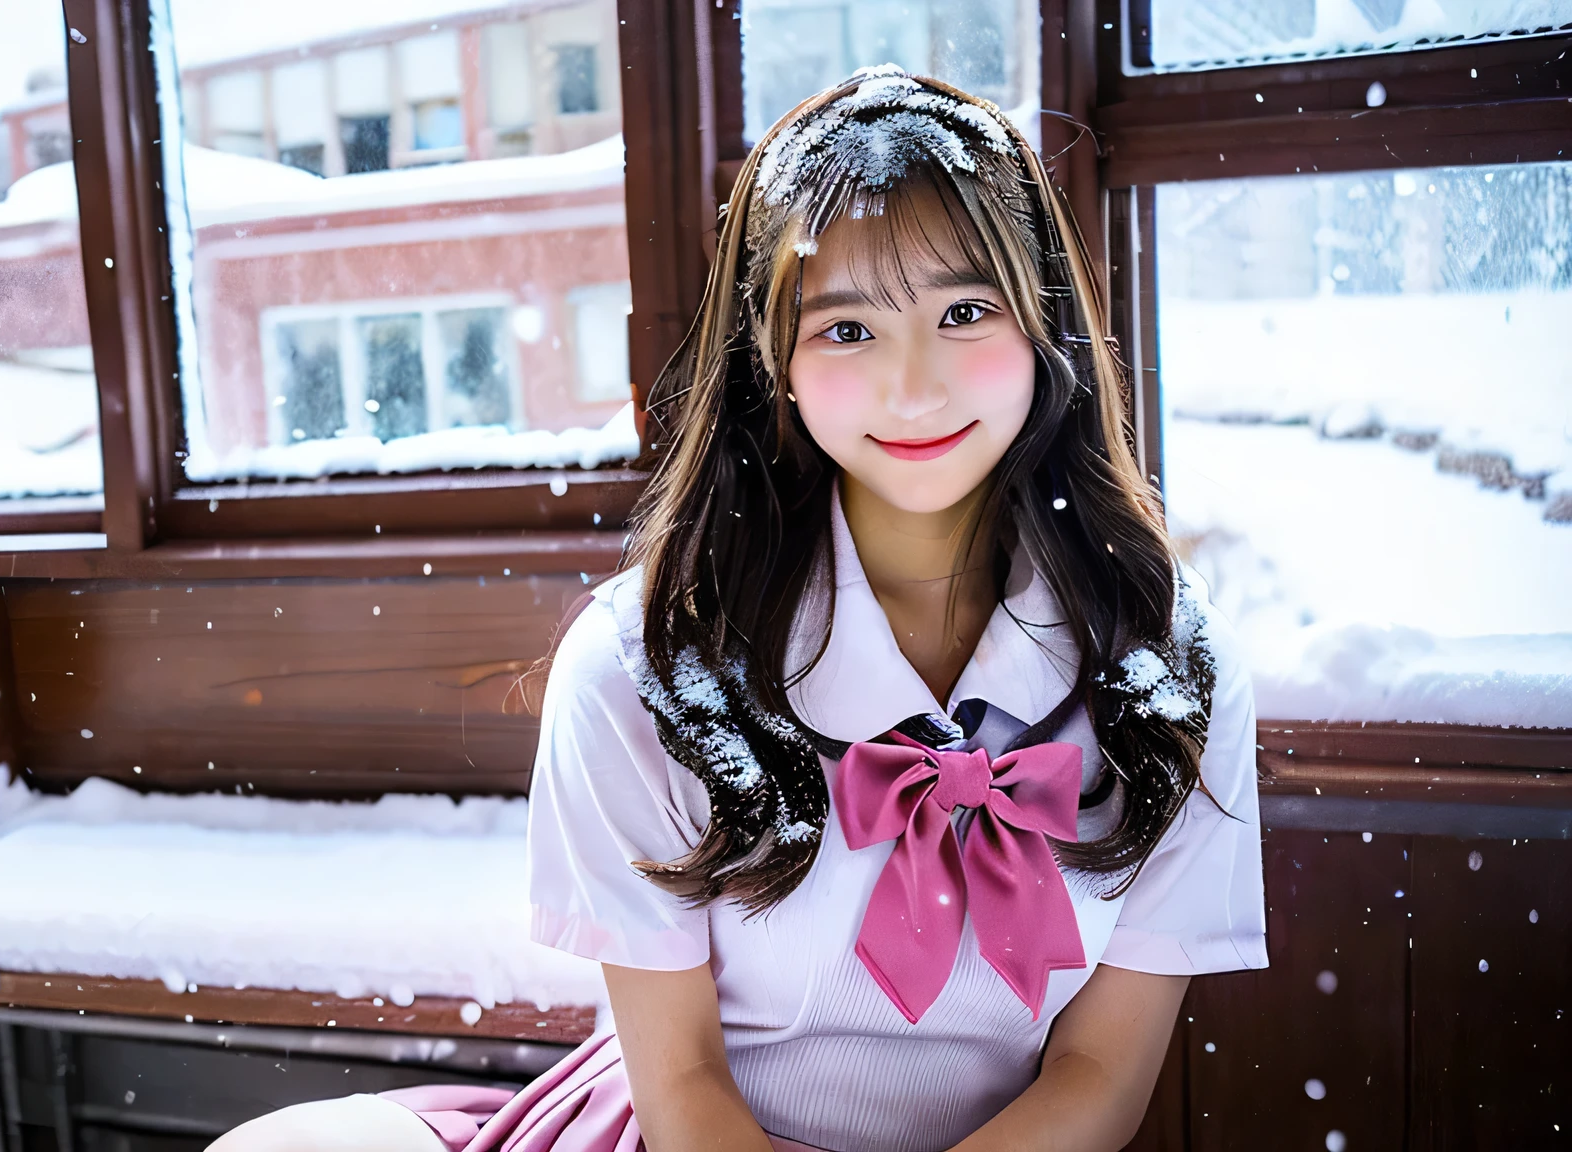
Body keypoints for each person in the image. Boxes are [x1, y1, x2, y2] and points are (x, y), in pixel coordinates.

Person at [210, 65, 1266, 1152]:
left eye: (964, 311)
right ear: (773, 363)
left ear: (1044, 325)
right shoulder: (638, 668)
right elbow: (681, 1085)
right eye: (847, 330)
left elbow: (1100, 1070)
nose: (914, 386)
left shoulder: (1174, 674)